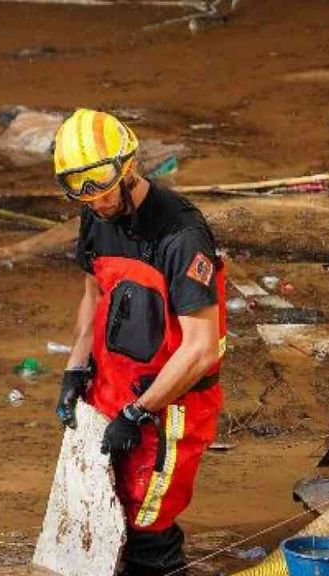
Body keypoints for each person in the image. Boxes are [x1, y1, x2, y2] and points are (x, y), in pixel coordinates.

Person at [51, 109, 227, 576]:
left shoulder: (181, 235)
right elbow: (93, 296)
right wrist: (74, 370)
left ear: (128, 167)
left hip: (171, 404)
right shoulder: (95, 220)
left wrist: (139, 412)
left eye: (100, 183)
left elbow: (200, 349)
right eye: (78, 187)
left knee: (149, 522)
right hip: (112, 384)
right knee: (109, 513)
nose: (93, 198)